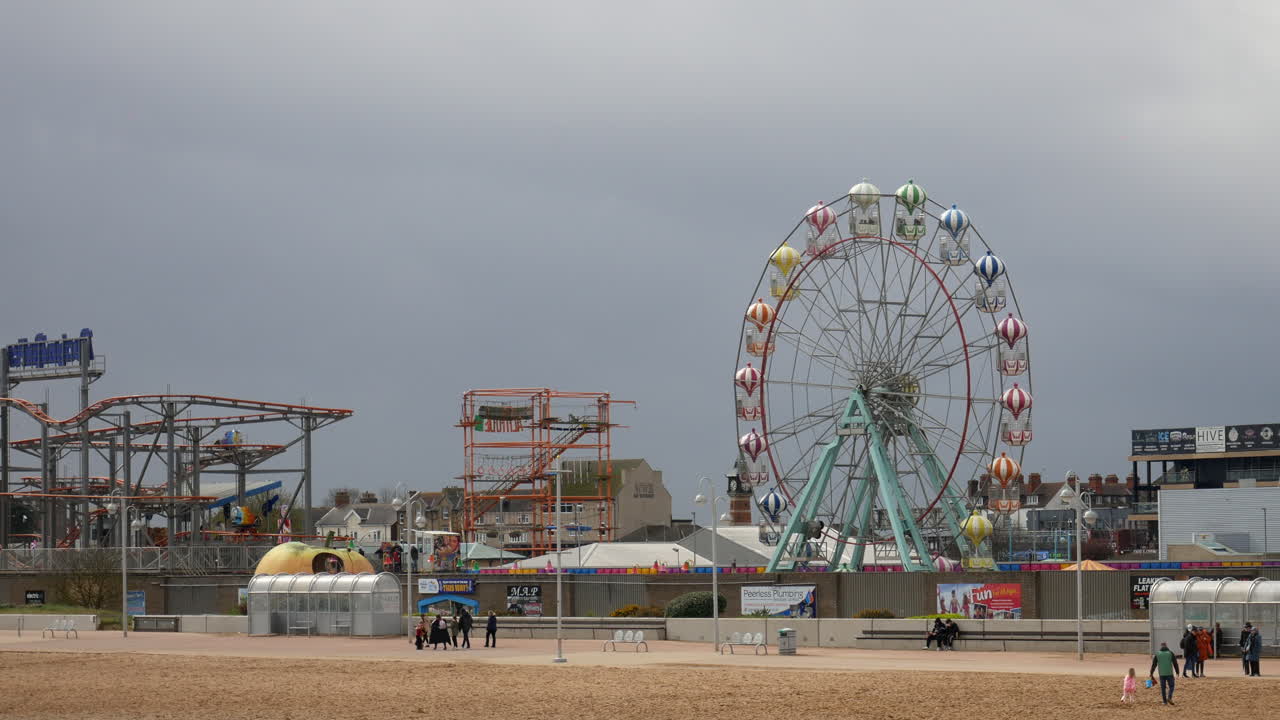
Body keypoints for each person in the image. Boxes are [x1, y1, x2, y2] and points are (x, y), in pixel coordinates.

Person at [1149, 641, 1180, 705]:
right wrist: (1177, 672)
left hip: (1162, 673)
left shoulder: (1157, 654)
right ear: (1166, 646)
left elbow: (1154, 665)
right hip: (1169, 673)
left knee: (1163, 688)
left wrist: (1151, 673)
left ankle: (1164, 701)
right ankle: (1169, 697)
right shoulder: (1170, 653)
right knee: (1172, 686)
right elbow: (1175, 663)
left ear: (1161, 646)